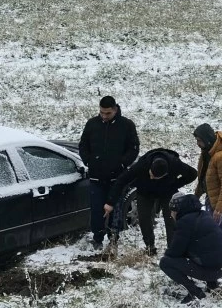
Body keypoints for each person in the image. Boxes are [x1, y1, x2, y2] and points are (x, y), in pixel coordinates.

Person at [103, 148, 198, 256]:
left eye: (155, 177)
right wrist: (110, 202)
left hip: (167, 193)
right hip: (145, 192)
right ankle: (150, 247)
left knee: (171, 219)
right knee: (144, 219)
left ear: (166, 173)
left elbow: (193, 174)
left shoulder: (175, 164)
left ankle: (173, 250)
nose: (151, 177)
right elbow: (122, 180)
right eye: (150, 174)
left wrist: (174, 185)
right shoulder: (142, 165)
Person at [78, 95, 139, 251]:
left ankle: (114, 237)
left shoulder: (126, 125)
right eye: (102, 113)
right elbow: (83, 144)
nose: (104, 116)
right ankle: (97, 237)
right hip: (96, 177)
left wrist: (122, 163)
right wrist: (88, 160)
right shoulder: (92, 124)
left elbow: (134, 148)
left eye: (108, 113)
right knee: (97, 209)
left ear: (115, 110)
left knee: (115, 209)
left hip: (117, 178)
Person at [159, 193, 222, 305]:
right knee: (205, 249)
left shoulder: (184, 223)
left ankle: (195, 292)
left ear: (178, 210)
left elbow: (174, 253)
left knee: (165, 262)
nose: (171, 214)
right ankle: (212, 284)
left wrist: (168, 252)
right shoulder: (205, 215)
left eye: (172, 211)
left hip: (212, 271)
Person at [193, 123, 222, 232]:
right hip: (212, 195)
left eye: (199, 140)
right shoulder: (207, 152)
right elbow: (204, 176)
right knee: (212, 228)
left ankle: (218, 248)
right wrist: (196, 196)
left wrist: (219, 209)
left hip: (219, 199)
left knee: (215, 230)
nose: (197, 144)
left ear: (207, 139)